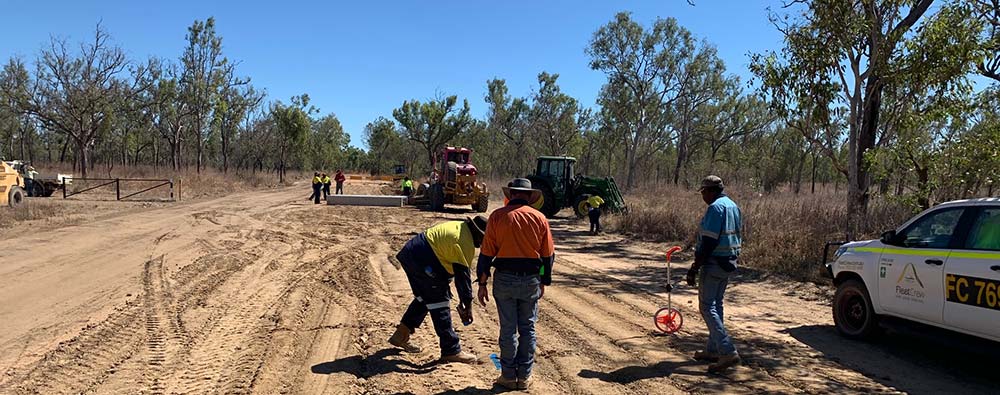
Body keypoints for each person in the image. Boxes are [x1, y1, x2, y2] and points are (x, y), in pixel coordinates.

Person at [476, 178, 554, 390]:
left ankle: (508, 376)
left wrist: (482, 282)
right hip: (530, 280)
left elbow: (486, 253)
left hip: (504, 279)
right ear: (529, 196)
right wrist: (543, 280)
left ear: (511, 195)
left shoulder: (497, 217)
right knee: (528, 328)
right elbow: (547, 257)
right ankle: (525, 376)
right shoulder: (540, 218)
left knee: (508, 328)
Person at [389, 215, 489, 365]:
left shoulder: (458, 227)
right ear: (478, 234)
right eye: (483, 239)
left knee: (425, 297)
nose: (482, 243)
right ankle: (451, 350)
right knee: (439, 300)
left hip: (411, 254)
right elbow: (463, 278)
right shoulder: (464, 242)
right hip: (422, 260)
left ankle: (401, 335)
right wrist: (467, 303)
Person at [685, 175, 742, 373]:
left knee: (707, 307)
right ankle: (713, 349)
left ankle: (727, 351)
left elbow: (708, 242)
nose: (703, 197)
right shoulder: (733, 206)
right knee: (716, 305)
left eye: (703, 193)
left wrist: (694, 268)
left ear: (709, 191)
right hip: (729, 262)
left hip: (714, 262)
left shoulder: (715, 208)